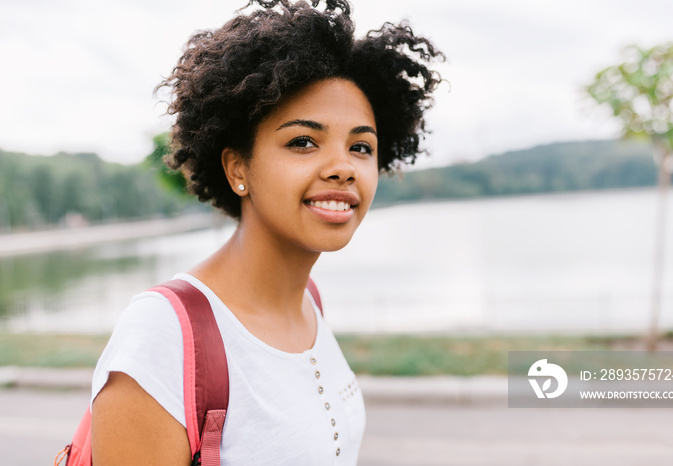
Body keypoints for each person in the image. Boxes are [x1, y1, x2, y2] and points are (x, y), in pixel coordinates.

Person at [90, 0, 442, 464]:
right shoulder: (163, 336)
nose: (342, 168)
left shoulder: (309, 300)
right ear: (238, 167)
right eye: (303, 142)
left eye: (360, 146)